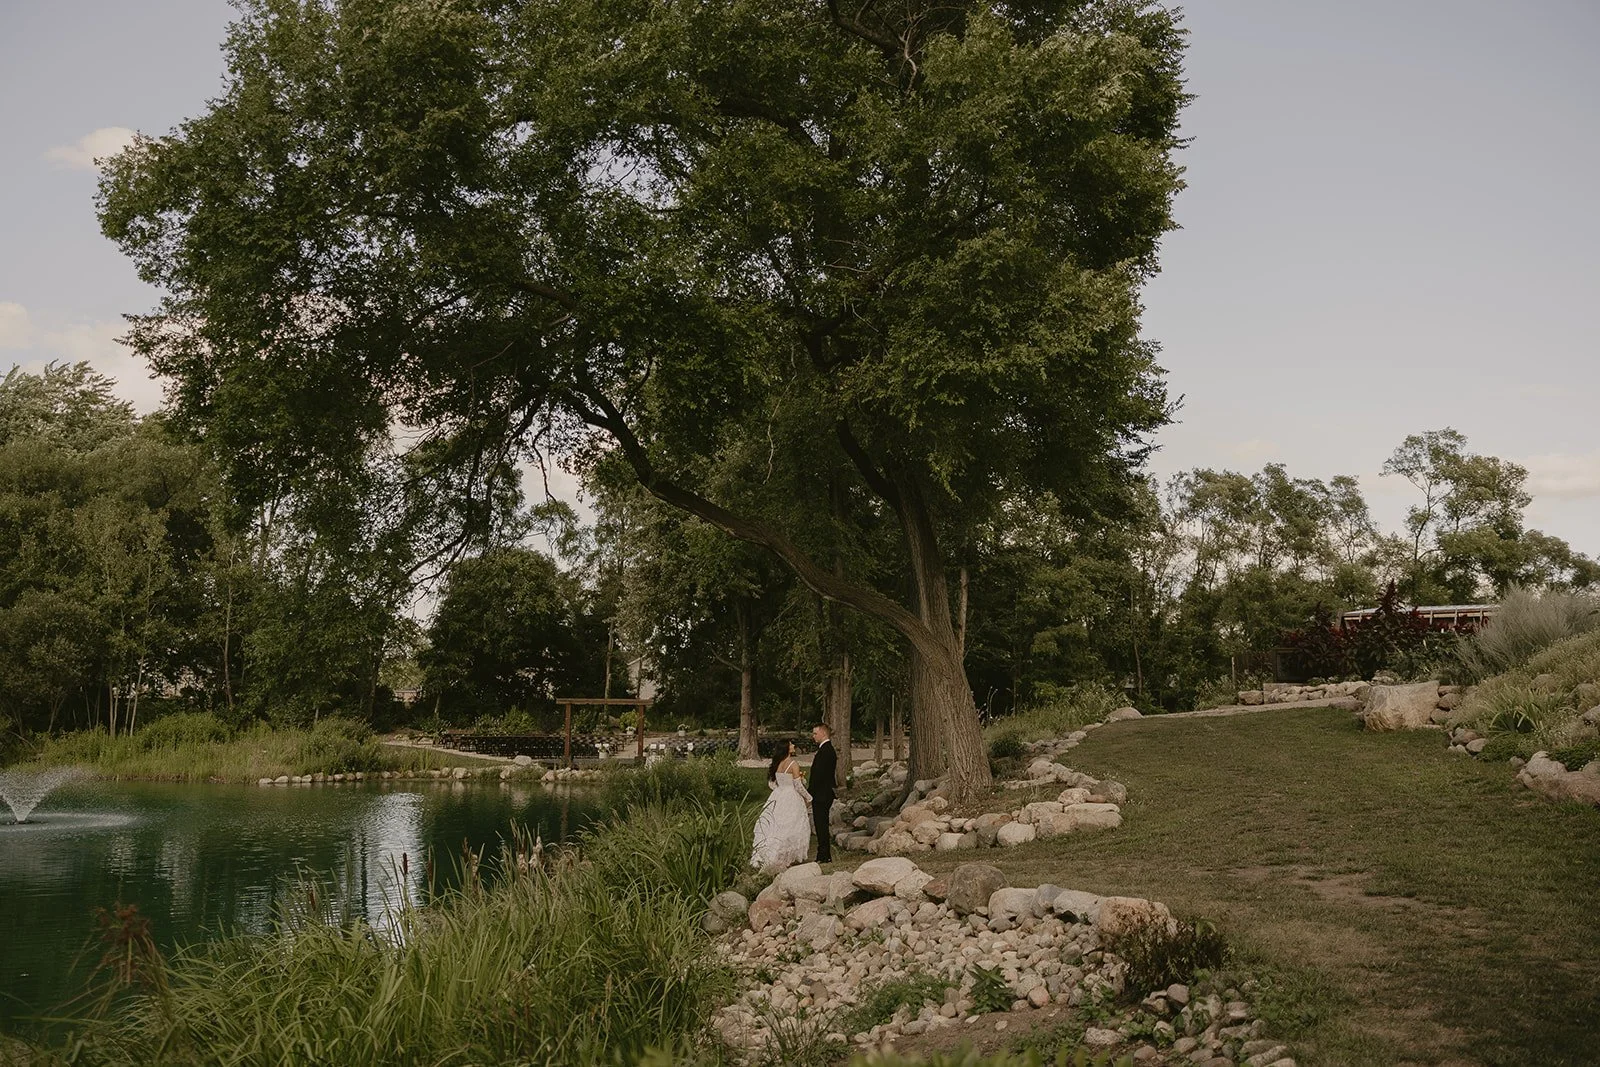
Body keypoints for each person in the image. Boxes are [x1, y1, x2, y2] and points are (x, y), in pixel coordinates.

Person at [749, 741, 812, 872]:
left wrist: (781, 788)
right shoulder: (793, 764)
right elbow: (798, 785)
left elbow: (771, 784)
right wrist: (808, 797)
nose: (794, 745)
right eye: (791, 744)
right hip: (790, 795)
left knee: (775, 824)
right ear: (787, 749)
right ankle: (783, 856)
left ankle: (768, 853)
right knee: (791, 825)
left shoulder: (777, 763)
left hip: (778, 795)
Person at [807, 723, 837, 863]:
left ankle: (824, 855)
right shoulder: (825, 750)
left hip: (821, 794)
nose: (813, 736)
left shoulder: (826, 751)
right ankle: (823, 853)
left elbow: (819, 775)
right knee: (820, 824)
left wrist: (810, 792)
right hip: (822, 793)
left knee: (821, 824)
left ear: (823, 734)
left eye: (815, 733)